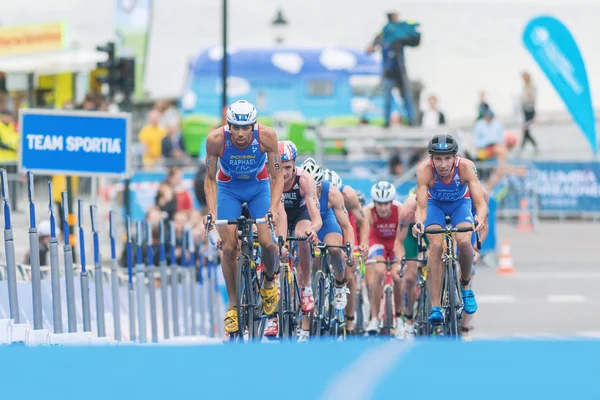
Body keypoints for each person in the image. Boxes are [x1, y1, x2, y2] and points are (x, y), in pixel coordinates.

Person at [203, 100, 284, 339]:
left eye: (245, 128)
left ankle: (269, 283)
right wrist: (212, 213)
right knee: (228, 248)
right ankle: (233, 306)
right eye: (235, 128)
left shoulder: (267, 136)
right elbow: (209, 180)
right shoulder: (216, 140)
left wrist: (273, 208)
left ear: (253, 126)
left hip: (258, 187)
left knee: (268, 243)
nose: (240, 134)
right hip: (229, 189)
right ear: (228, 126)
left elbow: (277, 177)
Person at [412, 133, 488, 325]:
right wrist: (419, 223)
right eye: (438, 159)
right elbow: (421, 207)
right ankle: (436, 305)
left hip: (459, 204)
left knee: (463, 242)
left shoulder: (466, 167)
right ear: (431, 159)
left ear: (455, 158)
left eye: (447, 158)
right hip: (434, 205)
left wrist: (479, 219)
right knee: (436, 247)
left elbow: (480, 203)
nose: (443, 164)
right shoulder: (424, 170)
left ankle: (465, 286)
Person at [270, 141, 322, 340]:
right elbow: (280, 214)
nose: (284, 174)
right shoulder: (271, 178)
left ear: (295, 164)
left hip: (300, 214)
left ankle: (306, 285)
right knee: (273, 246)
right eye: (280, 168)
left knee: (302, 237)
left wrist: (312, 229)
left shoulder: (304, 179)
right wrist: (280, 243)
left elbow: (316, 218)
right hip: (280, 214)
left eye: (288, 168)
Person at [302, 158, 355, 340]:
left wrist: (349, 251)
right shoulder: (297, 190)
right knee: (308, 258)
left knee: (334, 250)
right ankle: (306, 320)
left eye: (316, 188)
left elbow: (347, 226)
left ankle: (339, 285)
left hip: (326, 221)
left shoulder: (331, 192)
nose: (313, 193)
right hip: (306, 221)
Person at [324, 169, 370, 335]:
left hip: (346, 225)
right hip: (326, 223)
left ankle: (349, 323)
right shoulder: (315, 190)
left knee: (348, 274)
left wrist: (363, 244)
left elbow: (362, 221)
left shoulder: (348, 194)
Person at [363, 181, 403, 334]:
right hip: (377, 241)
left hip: (395, 242)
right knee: (378, 271)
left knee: (397, 277)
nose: (383, 208)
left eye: (386, 203)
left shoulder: (400, 210)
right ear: (374, 202)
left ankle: (399, 319)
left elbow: (403, 238)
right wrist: (364, 248)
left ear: (392, 202)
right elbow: (365, 237)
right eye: (379, 204)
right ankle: (374, 318)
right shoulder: (368, 212)